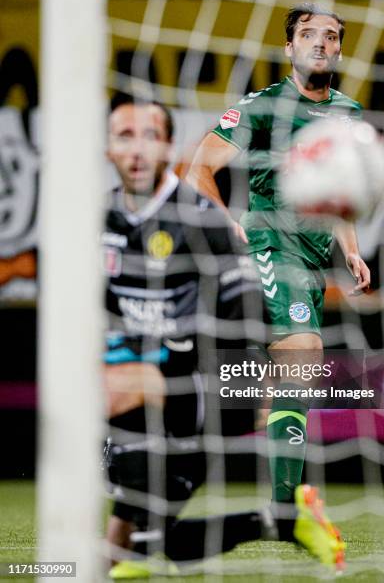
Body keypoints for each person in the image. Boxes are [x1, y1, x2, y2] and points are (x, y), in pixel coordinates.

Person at [102, 97, 345, 578]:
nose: (137, 150)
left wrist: (199, 373)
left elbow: (245, 315)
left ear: (170, 145)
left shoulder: (200, 220)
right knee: (128, 553)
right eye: (124, 136)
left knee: (119, 387)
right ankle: (281, 522)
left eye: (149, 136)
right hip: (136, 401)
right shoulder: (100, 220)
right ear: (108, 147)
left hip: (190, 393)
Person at [187, 3, 371, 507]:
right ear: (289, 47)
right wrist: (224, 220)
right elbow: (198, 169)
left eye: (331, 36)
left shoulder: (348, 112)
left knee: (273, 391)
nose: (320, 42)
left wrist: (352, 250)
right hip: (270, 245)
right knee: (303, 354)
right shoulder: (262, 106)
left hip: (313, 259)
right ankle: (288, 504)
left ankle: (140, 440)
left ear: (338, 48)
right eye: (309, 34)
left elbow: (343, 191)